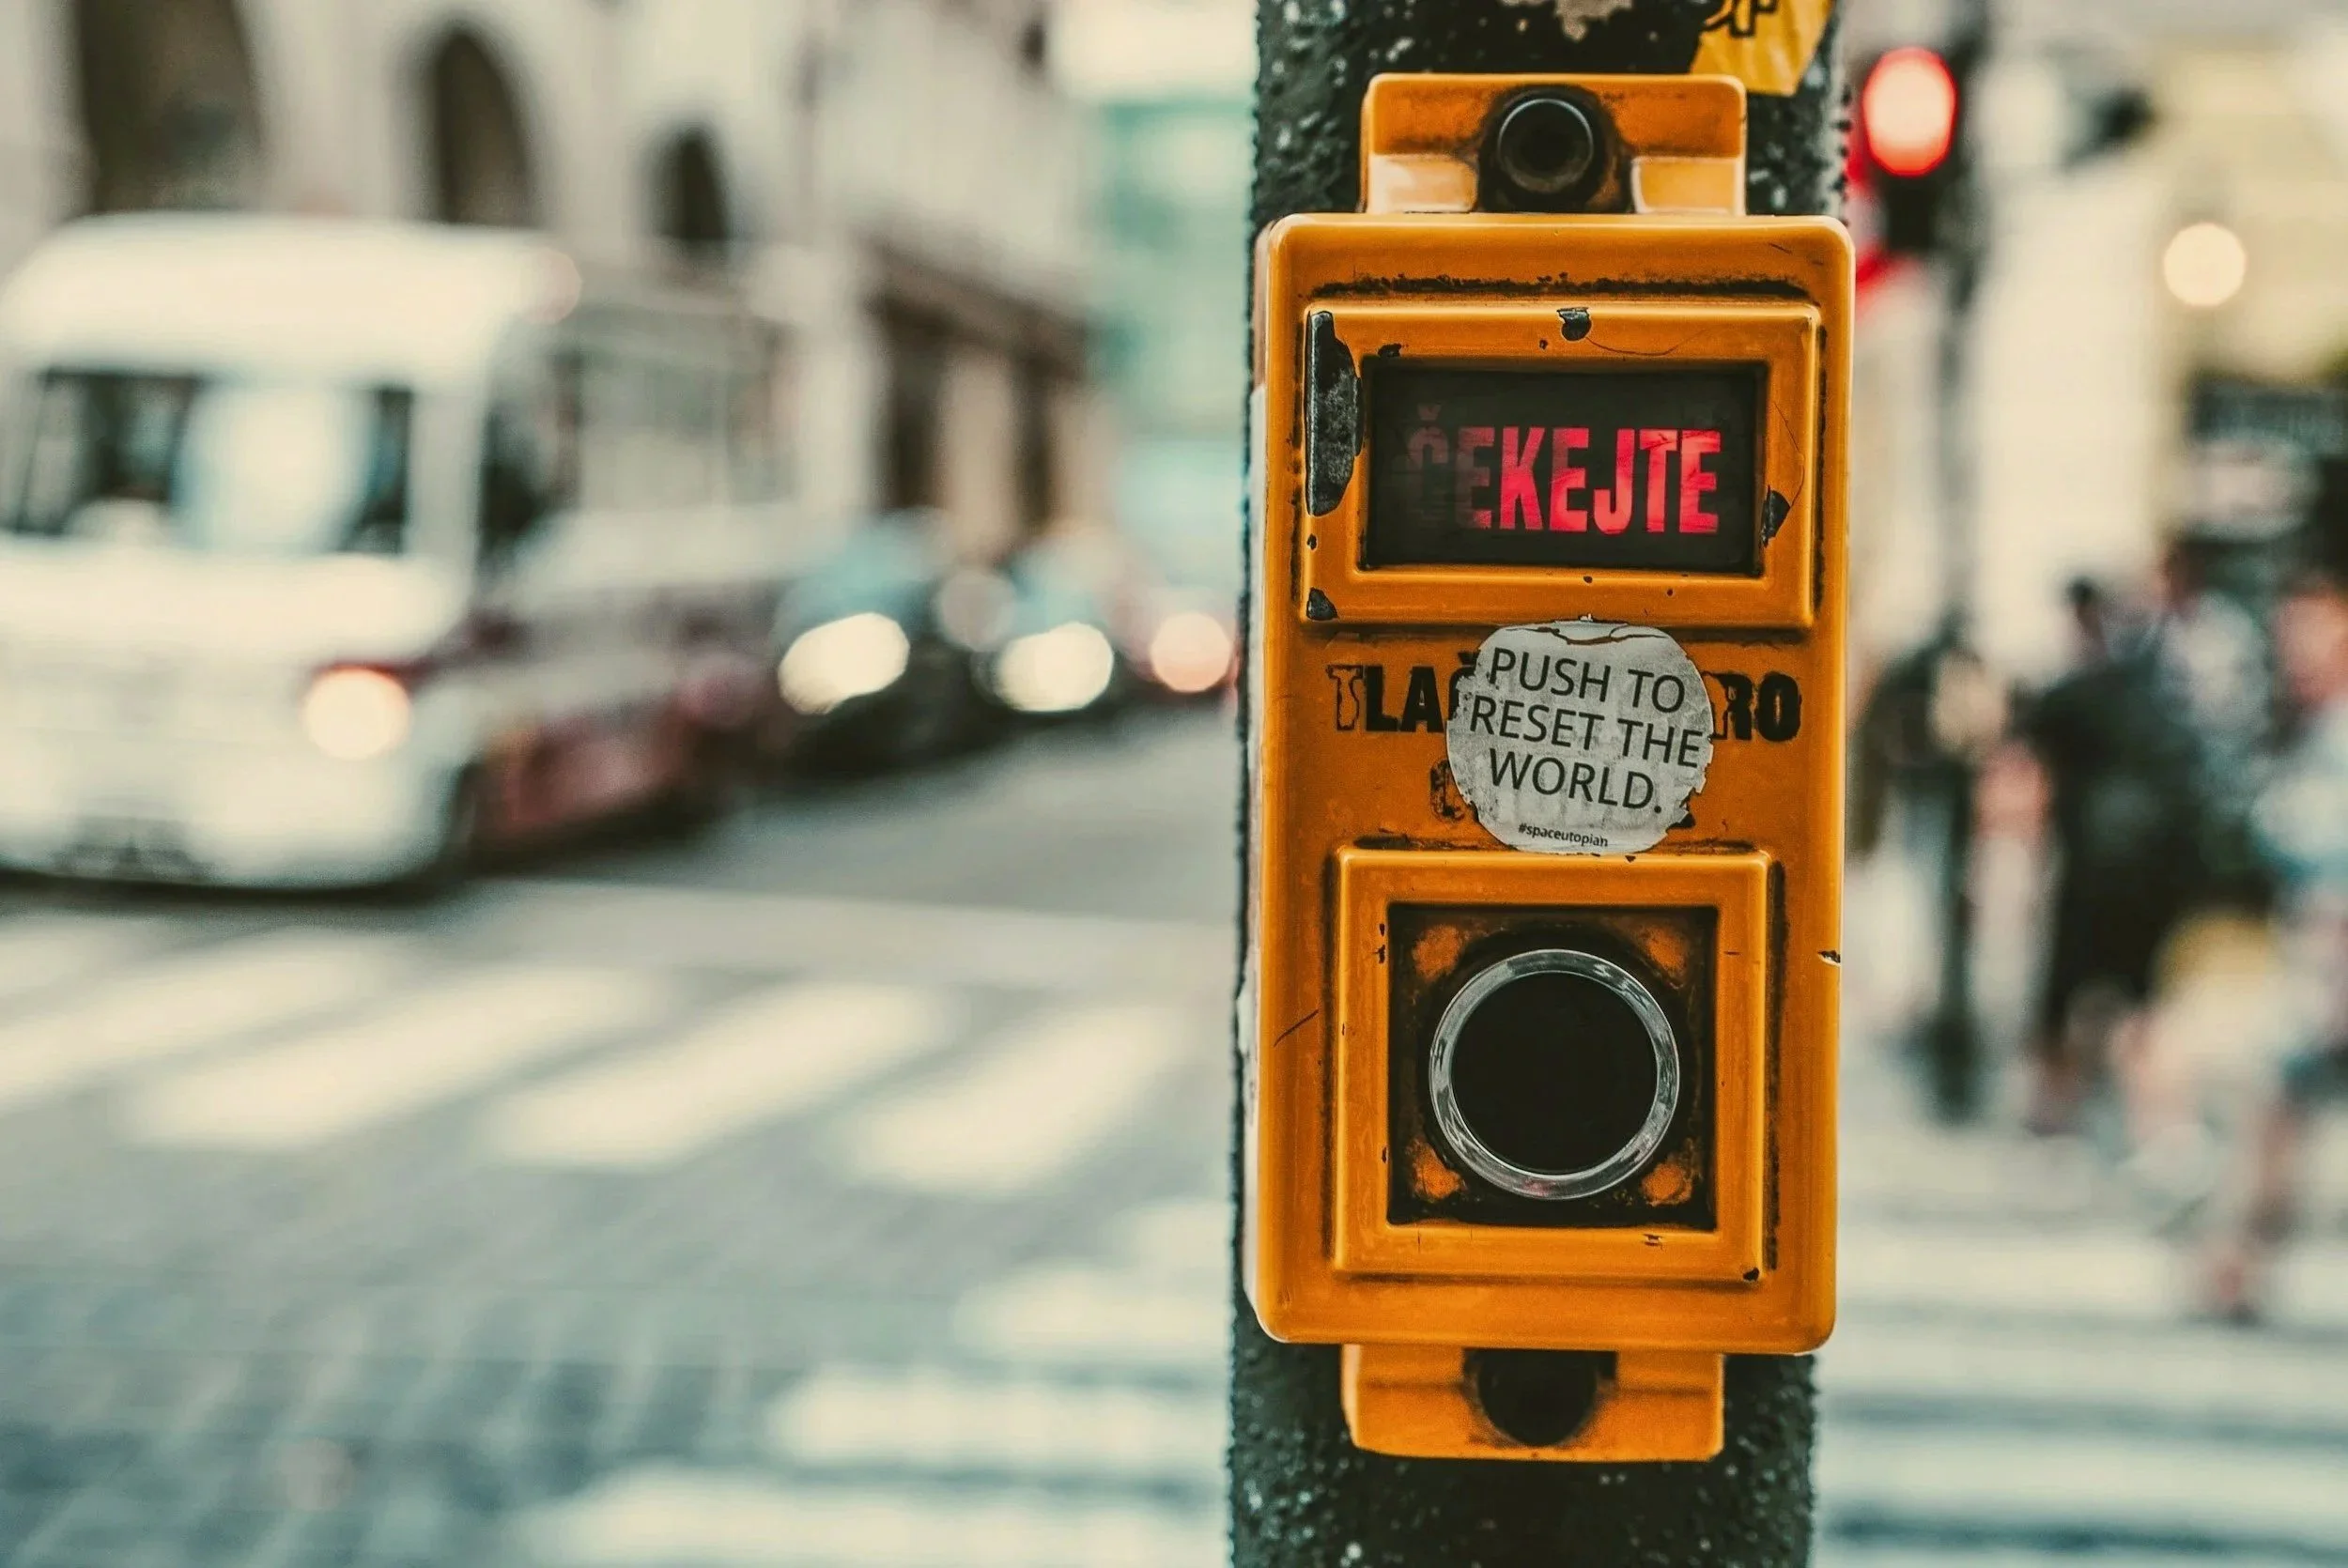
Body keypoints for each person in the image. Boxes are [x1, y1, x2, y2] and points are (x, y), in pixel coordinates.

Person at [2201, 558, 2348, 1321]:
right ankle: (2237, 1268)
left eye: (2314, 634)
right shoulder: (2311, 730)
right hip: (2315, 948)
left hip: (2333, 951)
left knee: (2275, 1107)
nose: (2296, 653)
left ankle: (2237, 1267)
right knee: (2274, 1110)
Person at [2016, 577, 2209, 1136]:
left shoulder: (2070, 695)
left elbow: (2022, 778)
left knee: (2061, 997)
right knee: (2141, 999)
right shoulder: (2162, 698)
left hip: (2089, 866)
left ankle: (2053, 1113)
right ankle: (2154, 1125)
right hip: (2150, 873)